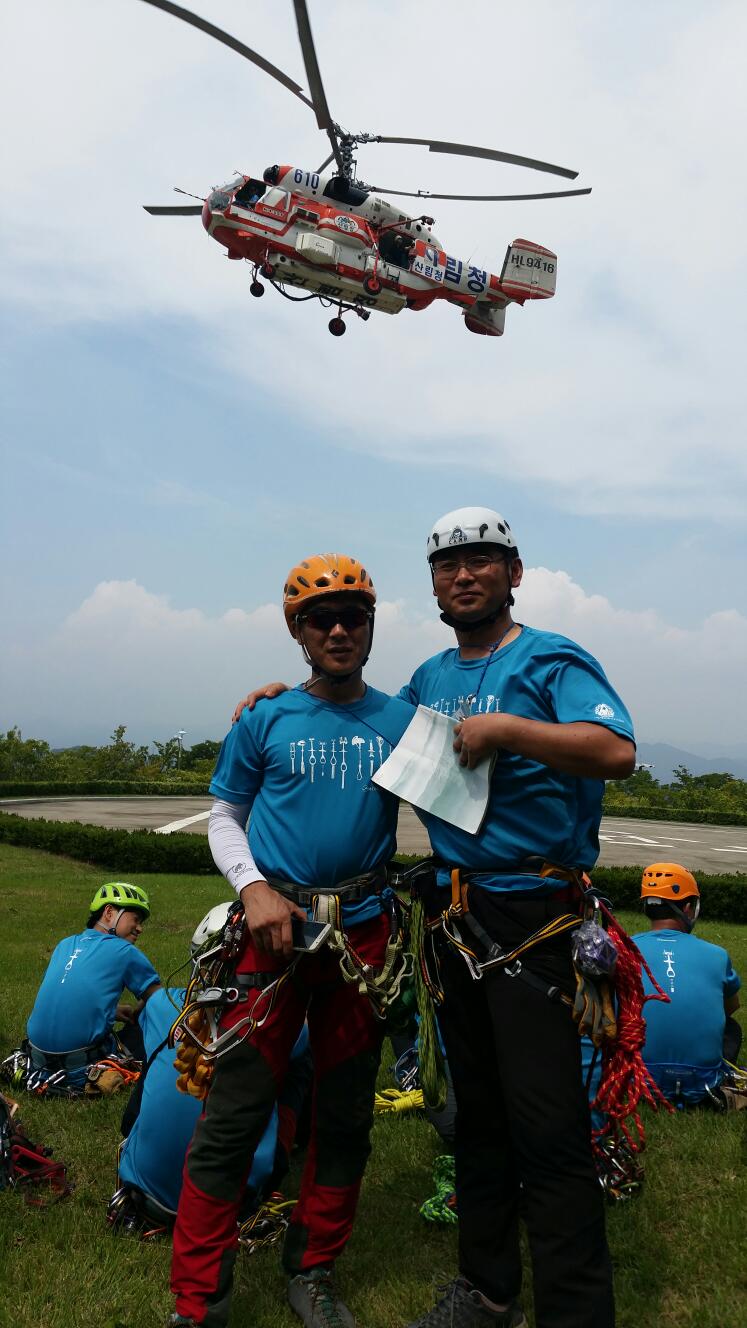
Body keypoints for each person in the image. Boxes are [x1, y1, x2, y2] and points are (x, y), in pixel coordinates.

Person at [235, 507, 636, 1328]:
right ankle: (486, 1293)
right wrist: (287, 699)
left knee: (546, 1127)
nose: (464, 575)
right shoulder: (428, 678)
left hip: (532, 916)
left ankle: (574, 1311)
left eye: (482, 561)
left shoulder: (549, 658)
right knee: (477, 1121)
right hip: (454, 919)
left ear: (512, 574)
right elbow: (364, 714)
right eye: (449, 566)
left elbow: (615, 751)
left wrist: (511, 731)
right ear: (433, 585)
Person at [169, 553, 414, 1328]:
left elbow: (468, 794)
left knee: (343, 1116)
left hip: (363, 936)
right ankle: (197, 1298)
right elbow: (224, 815)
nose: (339, 629)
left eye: (353, 616)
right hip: (267, 938)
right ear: (297, 632)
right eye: (321, 618)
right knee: (235, 1114)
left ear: (371, 626)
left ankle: (312, 1269)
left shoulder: (403, 720)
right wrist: (253, 887)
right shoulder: (265, 717)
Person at [111, 903, 313, 1233]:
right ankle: (286, 1149)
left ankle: (144, 1138)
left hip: (145, 1193)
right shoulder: (283, 1026)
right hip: (231, 1207)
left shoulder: (164, 1004)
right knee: (299, 1060)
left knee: (162, 1050)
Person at [5, 881, 160, 1097]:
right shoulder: (124, 951)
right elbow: (158, 998)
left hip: (35, 1060)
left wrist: (112, 1011)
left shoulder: (64, 944)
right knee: (142, 1028)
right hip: (79, 1069)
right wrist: (136, 1013)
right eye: (136, 919)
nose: (140, 927)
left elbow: (67, 993)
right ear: (109, 912)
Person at [633, 862, 742, 1106]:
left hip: (640, 1079)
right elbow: (729, 1009)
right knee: (732, 1028)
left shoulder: (625, 949)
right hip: (703, 1083)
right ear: (689, 908)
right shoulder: (717, 954)